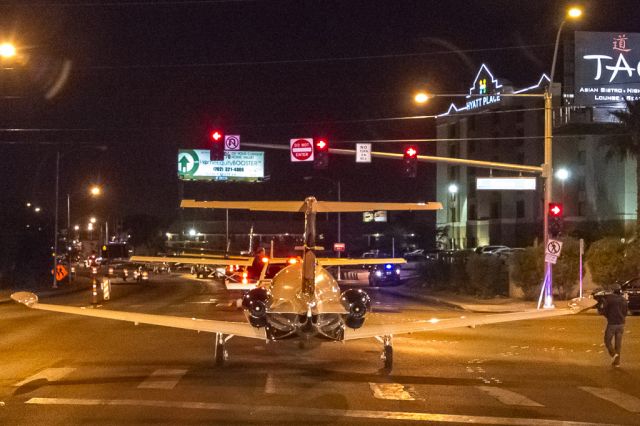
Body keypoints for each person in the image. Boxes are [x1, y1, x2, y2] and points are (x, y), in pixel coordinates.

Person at [602, 283, 628, 367]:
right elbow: (625, 312)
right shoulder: (623, 300)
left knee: (607, 340)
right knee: (618, 344)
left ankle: (613, 354)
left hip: (612, 323)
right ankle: (617, 363)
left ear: (612, 290)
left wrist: (608, 316)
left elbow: (604, 310)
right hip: (621, 324)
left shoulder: (609, 299)